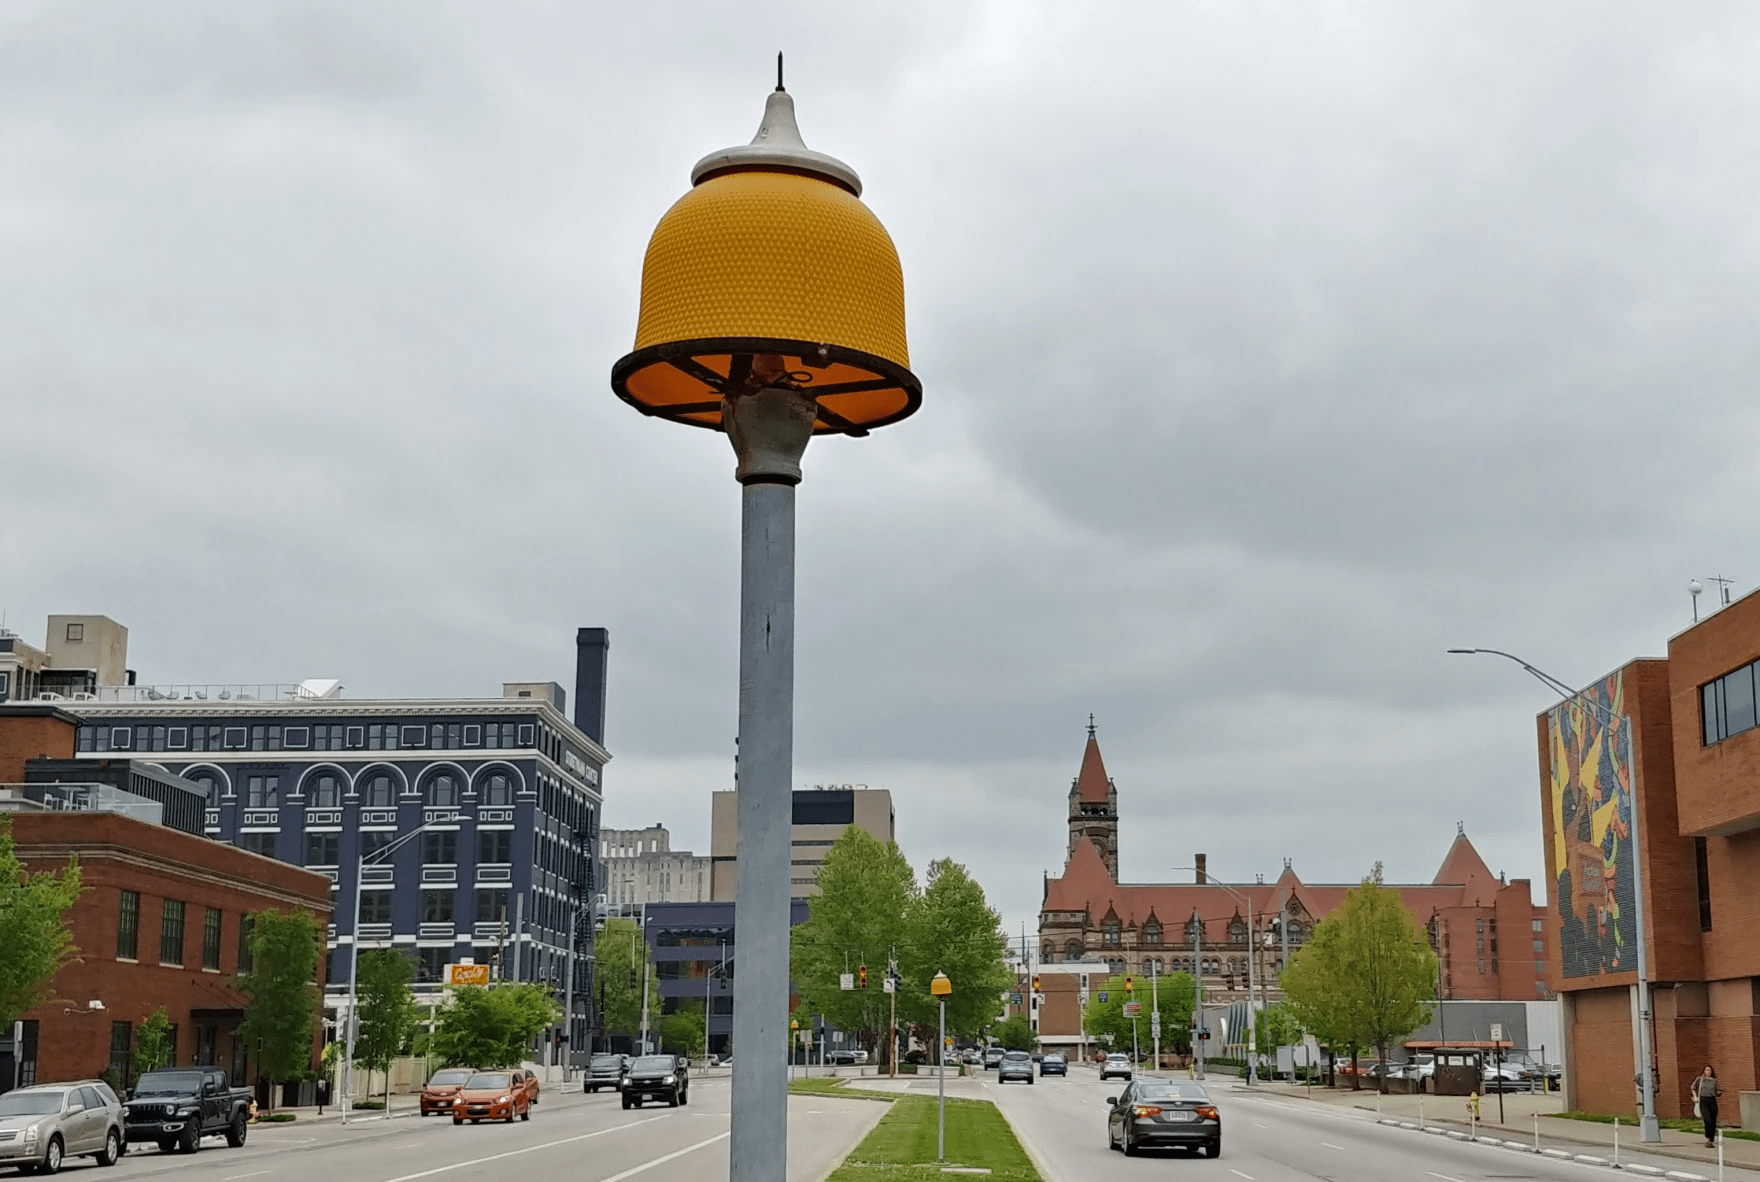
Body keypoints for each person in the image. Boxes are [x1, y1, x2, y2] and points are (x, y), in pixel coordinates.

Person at [1692, 1065, 1720, 1147]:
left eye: (1710, 1070)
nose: (1708, 1072)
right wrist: (1695, 1097)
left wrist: (1719, 1093)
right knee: (1708, 1119)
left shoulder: (1715, 1081)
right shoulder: (1700, 1079)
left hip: (1712, 1100)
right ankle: (1707, 1135)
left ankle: (1711, 1139)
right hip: (1703, 1100)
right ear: (1704, 1071)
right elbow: (1693, 1087)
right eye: (1707, 1070)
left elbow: (1717, 1091)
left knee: (1713, 1120)